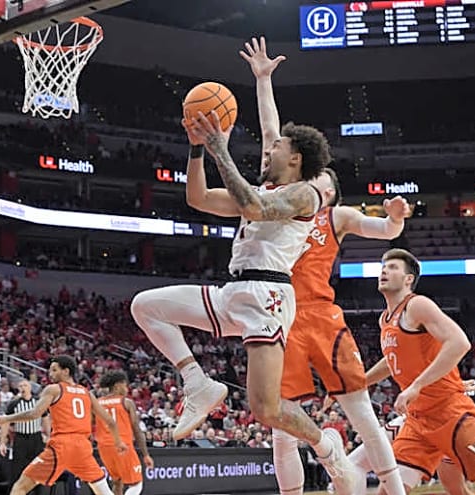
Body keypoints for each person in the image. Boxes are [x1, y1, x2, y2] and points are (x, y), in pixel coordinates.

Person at [129, 37, 354, 492]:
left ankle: (326, 445)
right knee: (145, 306)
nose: (266, 151)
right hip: (234, 291)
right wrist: (199, 146)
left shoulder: (305, 194)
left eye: (276, 150)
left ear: (296, 159)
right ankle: (197, 382)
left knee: (266, 410)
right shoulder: (267, 184)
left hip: (269, 296)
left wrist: (220, 150)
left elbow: (254, 207)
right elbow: (198, 197)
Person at [250, 37, 411, 495]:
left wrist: (395, 218)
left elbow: (385, 231)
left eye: (321, 182)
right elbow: (270, 132)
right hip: (279, 313)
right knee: (281, 428)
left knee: (361, 411)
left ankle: (394, 490)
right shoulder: (281, 197)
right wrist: (263, 81)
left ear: (332, 192)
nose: (314, 185)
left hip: (320, 316)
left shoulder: (337, 216)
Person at [367, 249, 475, 494]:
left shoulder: (417, 305)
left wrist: (416, 386)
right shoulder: (385, 319)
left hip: (449, 412)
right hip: (418, 420)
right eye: (383, 267)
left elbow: (460, 342)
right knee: (389, 491)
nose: (384, 271)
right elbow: (392, 360)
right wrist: (360, 383)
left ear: (408, 279)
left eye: (393, 267)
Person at [0, 356, 126, 495]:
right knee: (104, 492)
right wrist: (118, 442)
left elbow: (35, 413)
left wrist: (7, 418)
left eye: (54, 370)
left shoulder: (54, 389)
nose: (50, 373)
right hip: (83, 447)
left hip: (62, 446)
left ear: (66, 371)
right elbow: (110, 421)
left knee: (20, 487)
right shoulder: (86, 393)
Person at [348, 379, 475, 495]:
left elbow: (445, 365)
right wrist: (359, 383)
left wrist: (454, 384)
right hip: (411, 421)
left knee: (458, 491)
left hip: (440, 425)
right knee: (353, 464)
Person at [96, 371, 154, 495]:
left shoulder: (97, 403)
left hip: (104, 448)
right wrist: (146, 454)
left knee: (117, 482)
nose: (127, 389)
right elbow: (137, 430)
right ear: (117, 386)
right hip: (122, 446)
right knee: (136, 484)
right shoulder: (126, 402)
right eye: (125, 385)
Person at [0, 380, 51, 494]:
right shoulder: (14, 404)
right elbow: (6, 422)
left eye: (25, 385)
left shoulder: (38, 402)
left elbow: (45, 419)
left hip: (36, 438)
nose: (23, 387)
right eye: (20, 386)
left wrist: (49, 436)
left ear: (30, 388)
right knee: (17, 470)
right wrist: (2, 442)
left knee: (38, 468)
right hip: (20, 438)